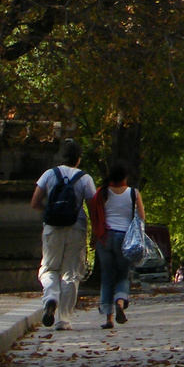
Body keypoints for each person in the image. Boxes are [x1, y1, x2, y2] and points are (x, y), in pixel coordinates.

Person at [30, 139, 98, 330]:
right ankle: (64, 319)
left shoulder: (49, 175)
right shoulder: (85, 178)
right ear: (78, 159)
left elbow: (35, 202)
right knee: (71, 273)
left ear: (62, 157)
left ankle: (51, 297)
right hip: (76, 228)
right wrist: (95, 234)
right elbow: (93, 209)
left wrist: (50, 213)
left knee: (49, 268)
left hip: (53, 228)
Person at [93, 162, 144, 330]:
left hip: (105, 238)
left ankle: (109, 318)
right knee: (123, 275)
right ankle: (120, 303)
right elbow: (141, 217)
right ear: (125, 177)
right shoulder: (132, 193)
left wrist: (94, 239)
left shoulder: (102, 193)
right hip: (125, 238)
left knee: (107, 277)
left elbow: (95, 216)